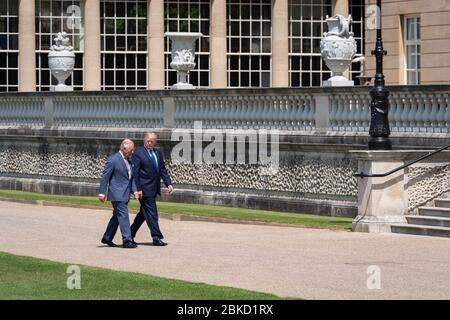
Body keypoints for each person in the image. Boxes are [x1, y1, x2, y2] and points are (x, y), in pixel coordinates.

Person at [131, 132, 174, 246]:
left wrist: (168, 183)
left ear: (155, 142)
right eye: (147, 141)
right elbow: (135, 173)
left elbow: (162, 170)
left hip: (154, 188)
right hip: (144, 189)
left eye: (152, 141)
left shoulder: (158, 153)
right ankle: (156, 237)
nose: (149, 143)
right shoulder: (138, 153)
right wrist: (138, 189)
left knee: (143, 213)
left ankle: (130, 233)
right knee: (152, 212)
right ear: (144, 140)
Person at [98, 139, 140, 249]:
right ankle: (127, 239)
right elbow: (105, 177)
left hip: (125, 193)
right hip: (117, 194)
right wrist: (102, 193)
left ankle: (107, 237)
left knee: (117, 216)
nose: (132, 152)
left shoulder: (129, 160)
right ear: (124, 149)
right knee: (123, 215)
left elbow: (131, 178)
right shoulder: (113, 160)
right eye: (131, 150)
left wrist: (135, 190)